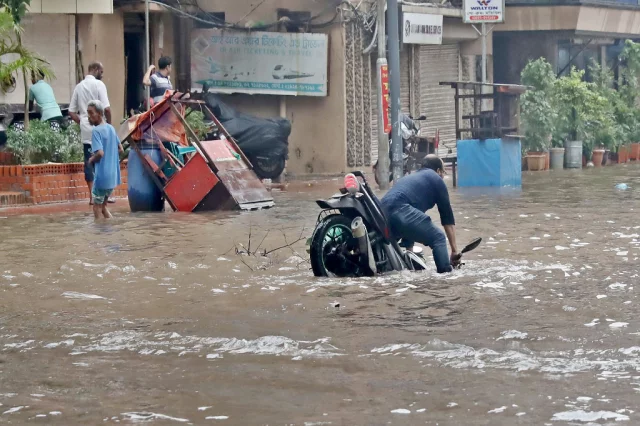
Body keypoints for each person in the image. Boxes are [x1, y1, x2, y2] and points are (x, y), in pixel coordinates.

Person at [381, 154, 458, 273]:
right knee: (438, 237)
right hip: (400, 210)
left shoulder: (412, 178)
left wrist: (409, 252)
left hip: (382, 212)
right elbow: (447, 219)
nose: (442, 176)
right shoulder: (436, 179)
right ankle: (446, 276)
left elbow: (410, 223)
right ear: (438, 171)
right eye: (443, 172)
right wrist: (454, 251)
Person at [68, 62, 112, 204]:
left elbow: (71, 111)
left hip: (87, 130)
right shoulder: (99, 85)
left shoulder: (79, 87)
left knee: (89, 161)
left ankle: (92, 197)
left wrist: (81, 122)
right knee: (103, 161)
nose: (103, 75)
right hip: (101, 128)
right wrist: (109, 126)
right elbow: (107, 109)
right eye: (102, 71)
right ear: (95, 70)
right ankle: (105, 195)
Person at [86, 100, 123, 220]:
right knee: (103, 206)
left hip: (102, 177)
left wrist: (91, 159)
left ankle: (98, 235)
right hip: (113, 176)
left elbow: (100, 153)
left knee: (96, 207)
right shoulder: (111, 128)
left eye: (91, 113)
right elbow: (120, 149)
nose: (89, 116)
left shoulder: (96, 131)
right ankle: (110, 230)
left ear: (100, 113)